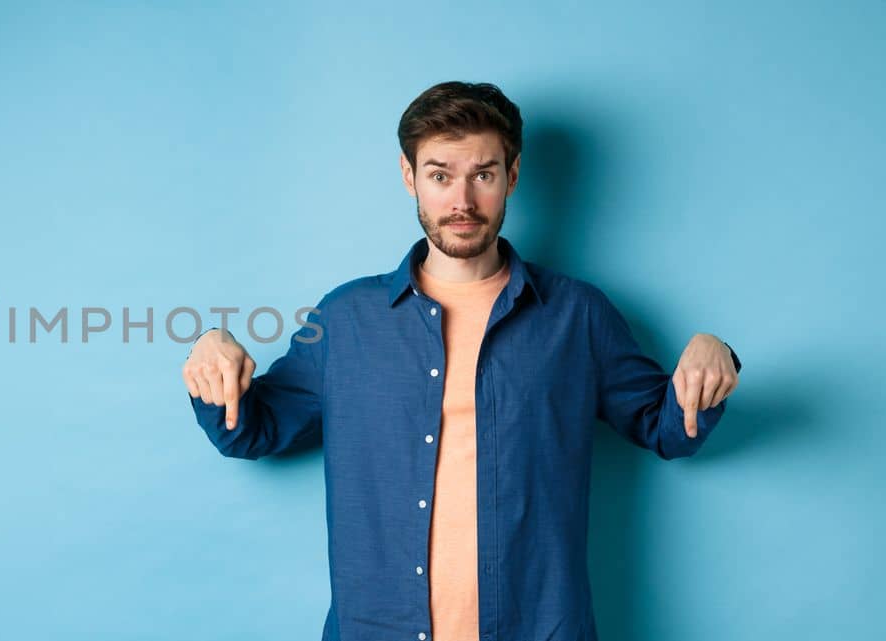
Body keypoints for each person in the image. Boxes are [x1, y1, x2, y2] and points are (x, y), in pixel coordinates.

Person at [180, 81, 742, 641]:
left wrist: (713, 358)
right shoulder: (346, 320)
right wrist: (211, 350)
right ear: (410, 177)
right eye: (441, 175)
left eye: (483, 175)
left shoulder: (577, 316)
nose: (462, 202)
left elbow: (669, 430)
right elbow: (250, 432)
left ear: (512, 176)